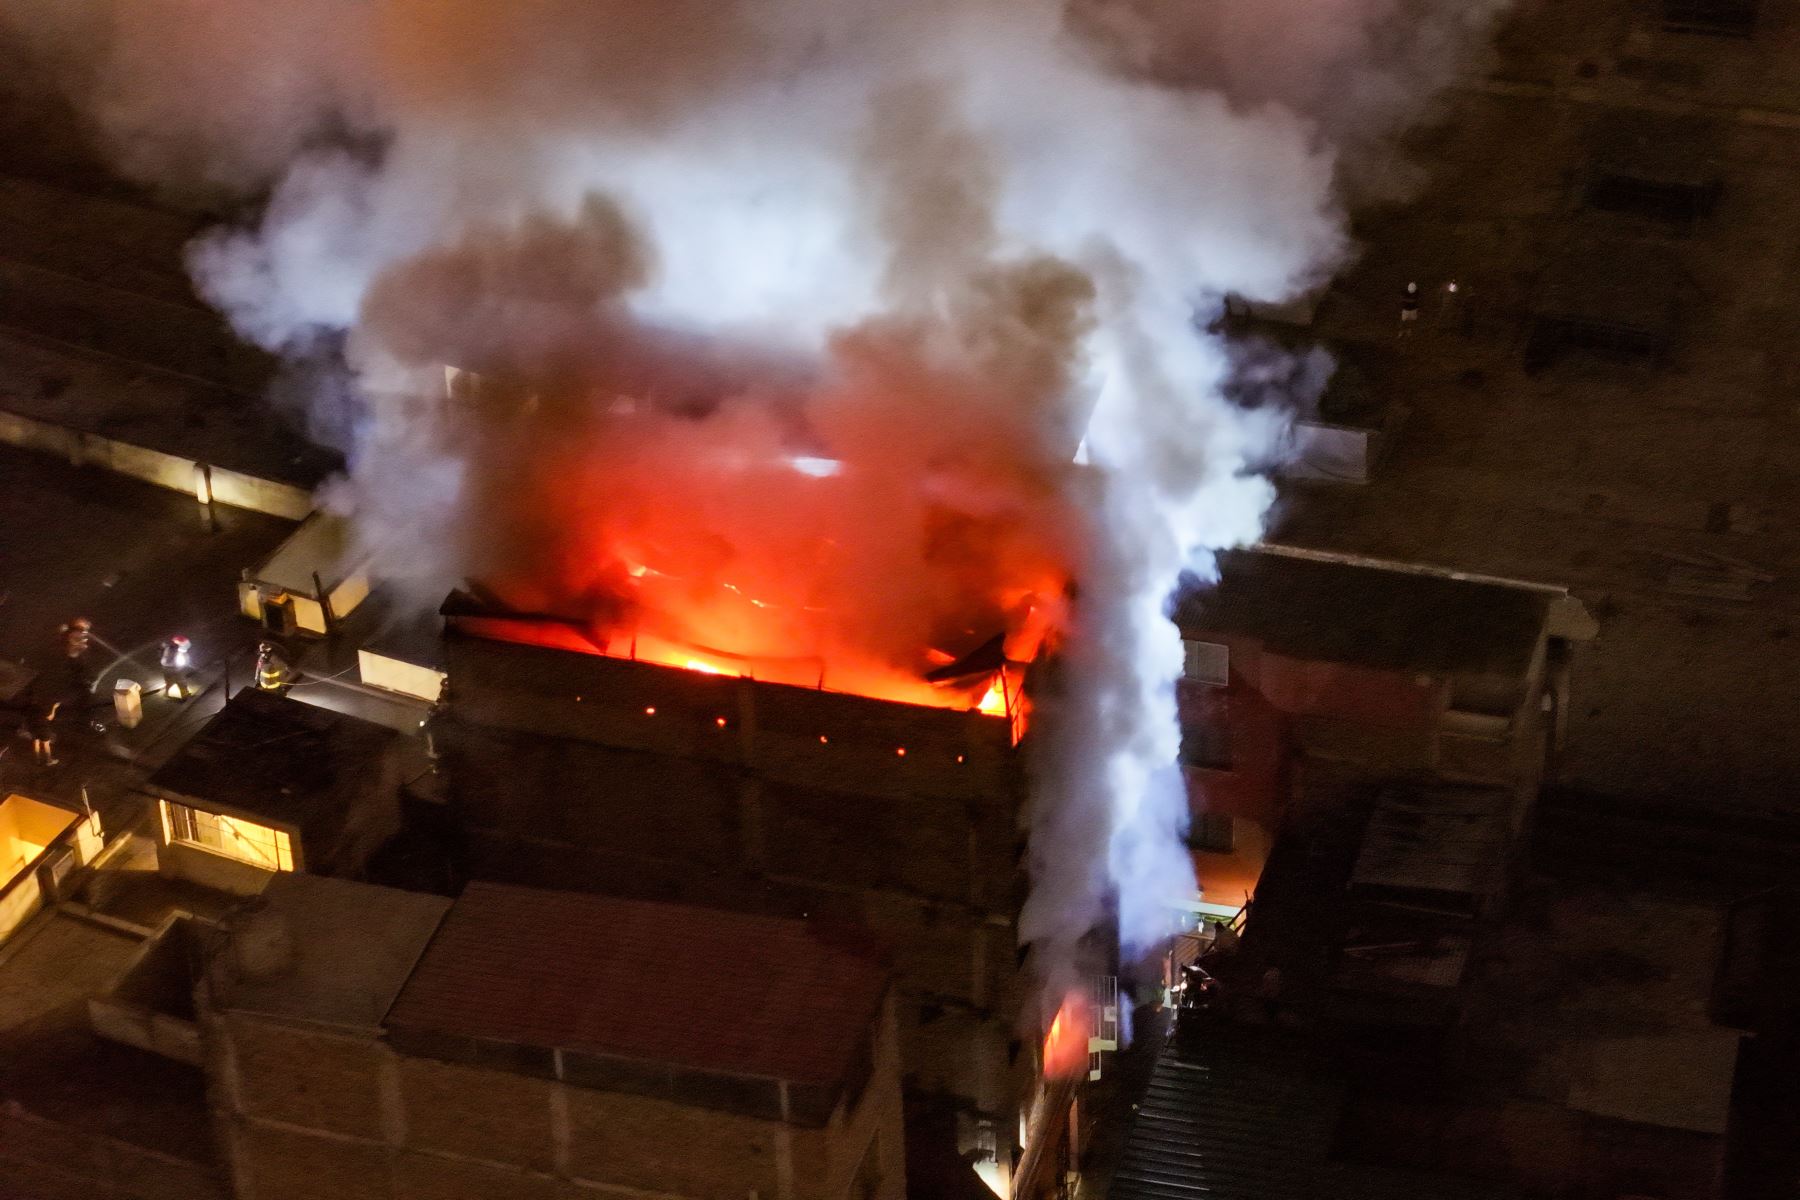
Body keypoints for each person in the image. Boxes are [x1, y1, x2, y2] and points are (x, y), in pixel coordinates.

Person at [160, 635, 195, 700]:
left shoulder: (168, 647)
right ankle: (185, 696)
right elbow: (182, 660)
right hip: (175, 668)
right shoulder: (179, 650)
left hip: (165, 667)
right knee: (181, 682)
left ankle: (166, 693)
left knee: (169, 682)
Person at [27, 700, 60, 766]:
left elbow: (28, 720)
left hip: (34, 729)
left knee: (36, 743)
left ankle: (37, 761)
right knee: (46, 744)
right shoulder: (40, 709)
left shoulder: (30, 711)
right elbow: (50, 718)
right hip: (43, 729)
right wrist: (54, 708)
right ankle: (49, 761)